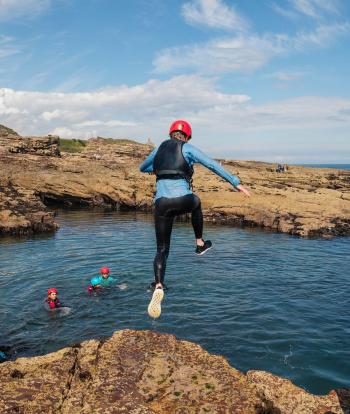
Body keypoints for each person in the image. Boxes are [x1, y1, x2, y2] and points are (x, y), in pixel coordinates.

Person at [140, 119, 251, 318]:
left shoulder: (159, 150)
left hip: (162, 204)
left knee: (162, 250)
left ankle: (158, 284)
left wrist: (158, 169)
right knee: (196, 202)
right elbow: (211, 165)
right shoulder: (188, 148)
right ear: (187, 136)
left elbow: (143, 168)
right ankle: (199, 243)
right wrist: (236, 183)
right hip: (183, 200)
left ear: (170, 133)